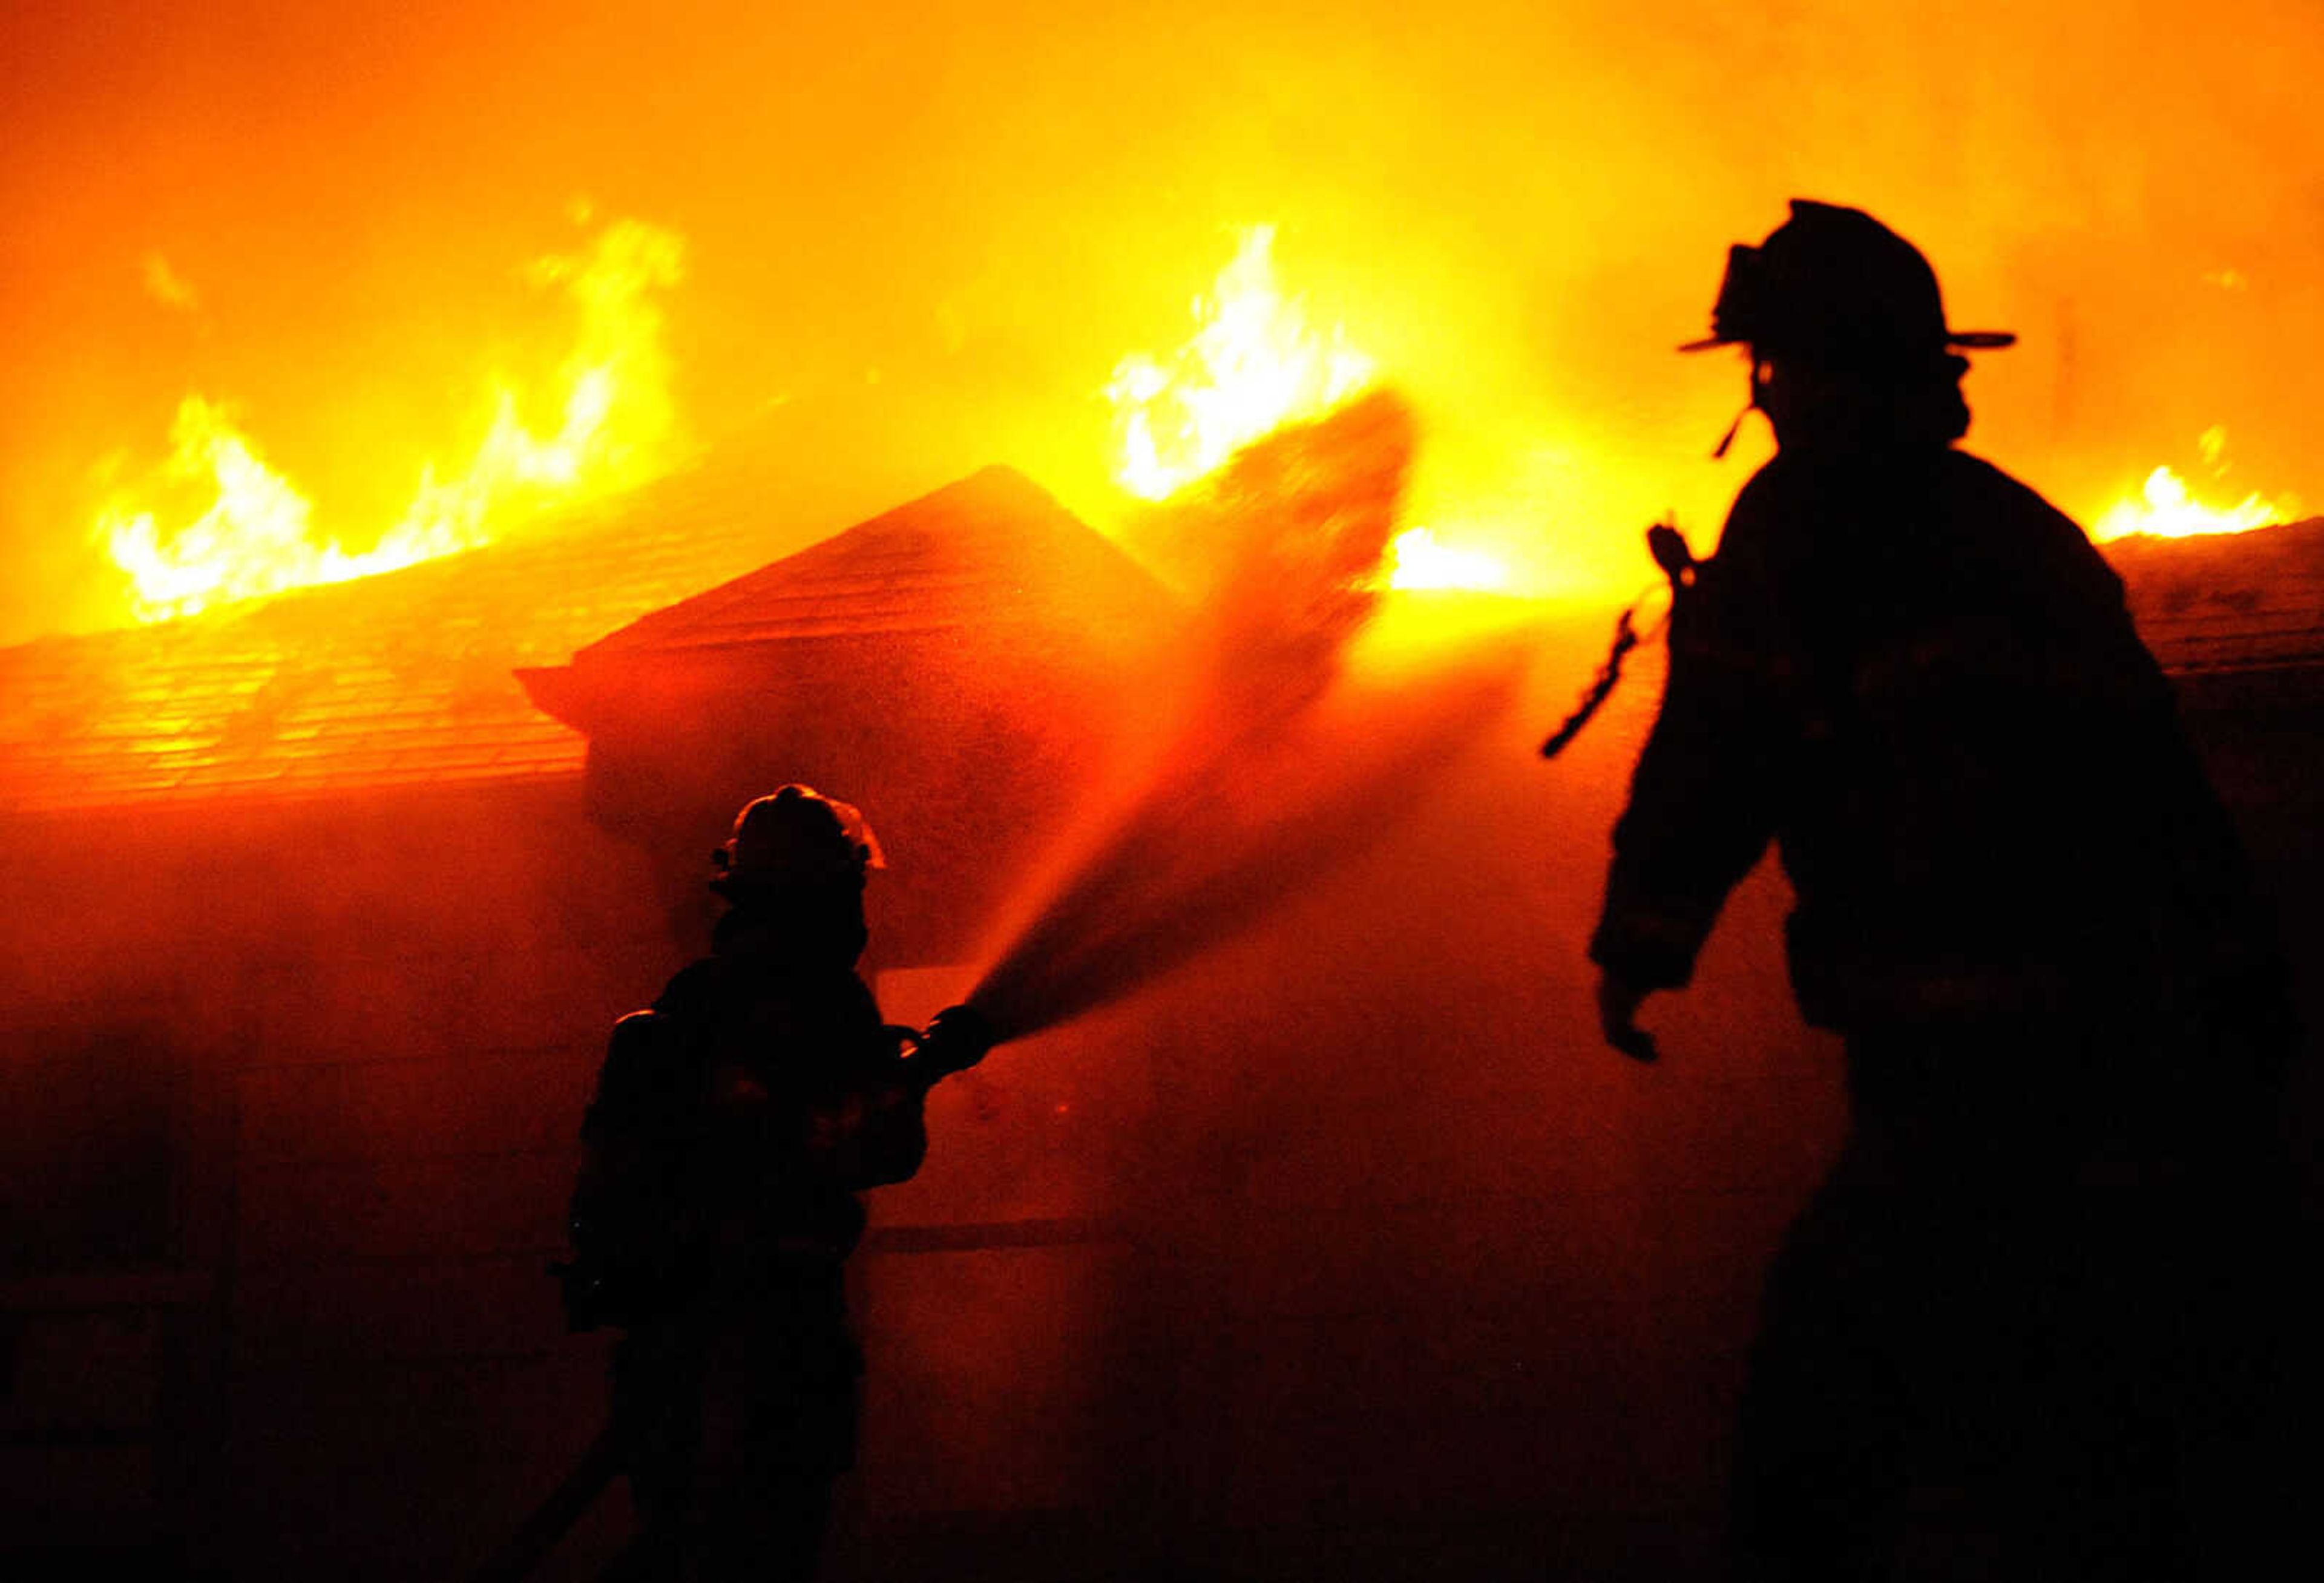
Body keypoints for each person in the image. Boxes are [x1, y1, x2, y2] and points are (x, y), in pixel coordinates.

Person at [1589, 200, 2299, 1580]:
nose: (1773, 398)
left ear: (1819, 373)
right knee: (2072, 1390)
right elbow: (2164, 786)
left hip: (1957, 1058)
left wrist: (1641, 941)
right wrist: (2242, 990)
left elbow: (1714, 759)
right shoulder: (2020, 535)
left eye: (1780, 370)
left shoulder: (1795, 531)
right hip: (2125, 1039)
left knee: (1839, 1404)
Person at [563, 785, 992, 1581]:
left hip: (675, 1351)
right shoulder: (821, 1010)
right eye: (849, 888)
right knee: (753, 1550)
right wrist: (928, 1066)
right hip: (770, 1338)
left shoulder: (685, 1013)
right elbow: (860, 1147)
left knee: (690, 1544)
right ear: (825, 894)